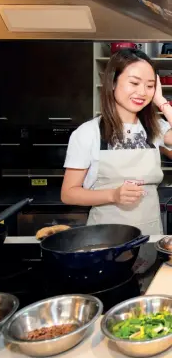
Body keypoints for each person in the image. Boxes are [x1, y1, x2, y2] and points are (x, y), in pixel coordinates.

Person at [61, 49, 172, 235]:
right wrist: (113, 195)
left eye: (150, 86)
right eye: (134, 83)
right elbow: (69, 193)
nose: (142, 92)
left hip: (150, 235)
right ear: (113, 82)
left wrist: (161, 102)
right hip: (105, 238)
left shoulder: (155, 128)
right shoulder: (88, 133)